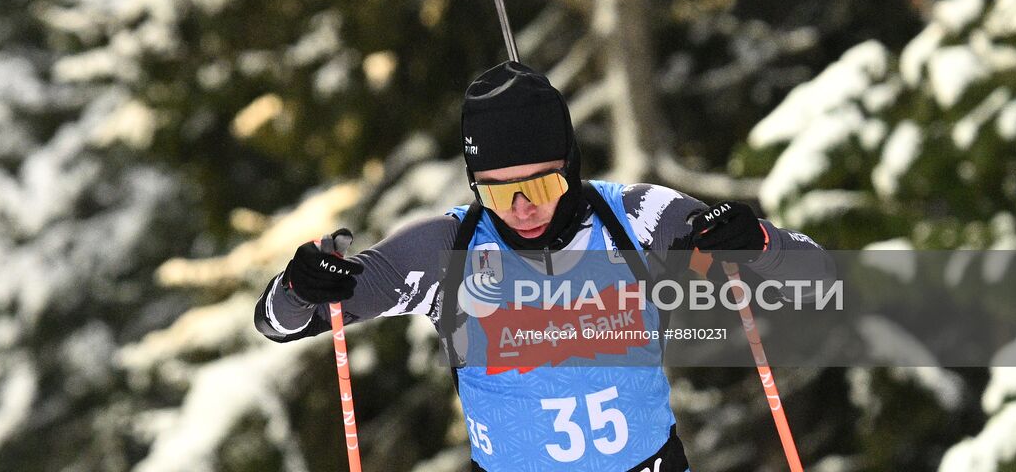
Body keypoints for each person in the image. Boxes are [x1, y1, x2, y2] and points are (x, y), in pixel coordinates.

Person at [256, 61, 833, 472]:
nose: (523, 208)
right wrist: (301, 285)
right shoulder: (445, 251)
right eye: (499, 193)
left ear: (572, 165)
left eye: (543, 183)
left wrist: (757, 242)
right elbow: (278, 321)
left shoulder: (638, 219)